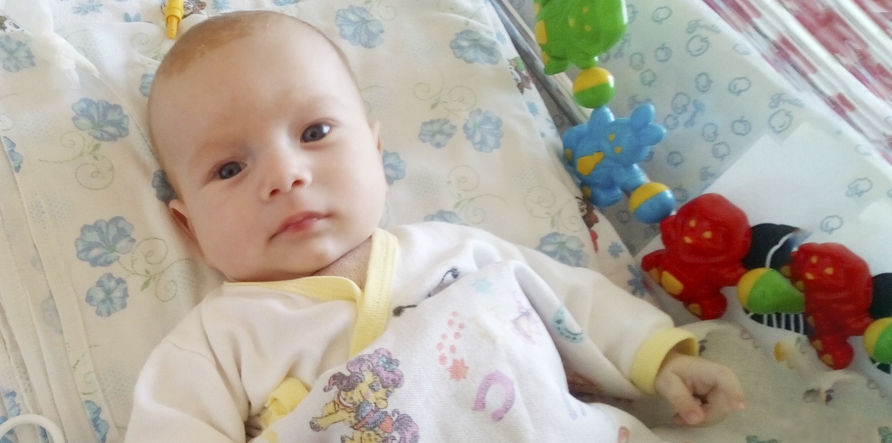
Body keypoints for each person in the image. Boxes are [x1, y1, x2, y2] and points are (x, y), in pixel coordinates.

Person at [127, 10, 746, 443]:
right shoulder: (215, 343)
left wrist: (658, 357)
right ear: (190, 228)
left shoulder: (453, 250)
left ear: (375, 152)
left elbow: (573, 302)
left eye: (314, 132)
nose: (286, 175)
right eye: (230, 168)